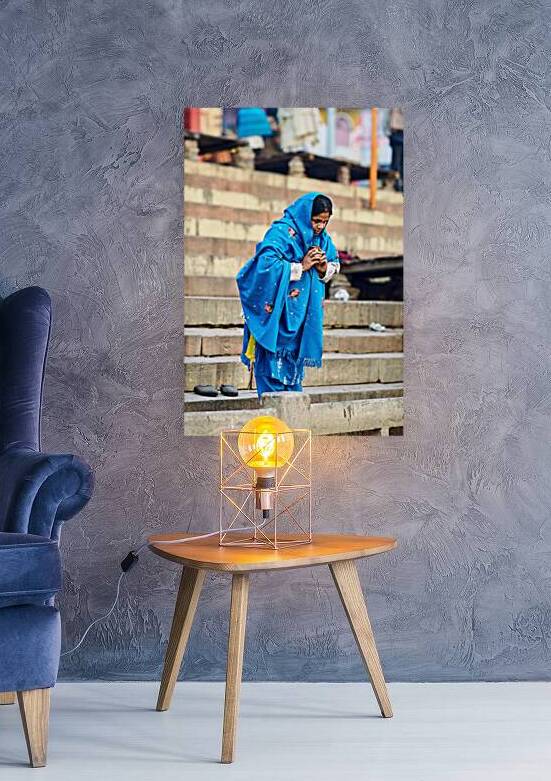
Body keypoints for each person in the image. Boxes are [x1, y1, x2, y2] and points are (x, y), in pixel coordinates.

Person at [237, 193, 340, 396]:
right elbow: (264, 264)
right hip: (278, 315)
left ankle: (289, 423)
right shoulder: (281, 232)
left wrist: (322, 267)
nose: (320, 226)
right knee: (271, 372)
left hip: (302, 317)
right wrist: (301, 266)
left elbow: (334, 264)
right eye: (316, 220)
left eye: (325, 222)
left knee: (293, 376)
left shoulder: (322, 239)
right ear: (305, 215)